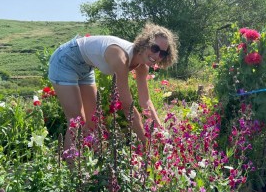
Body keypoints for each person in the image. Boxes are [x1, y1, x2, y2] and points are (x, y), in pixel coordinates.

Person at [48, 23, 178, 151]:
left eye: (163, 53)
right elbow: (127, 106)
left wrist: (162, 132)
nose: (156, 56)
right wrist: (145, 143)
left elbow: (145, 101)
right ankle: (70, 171)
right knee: (76, 122)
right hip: (66, 59)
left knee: (94, 121)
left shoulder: (143, 67)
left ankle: (91, 168)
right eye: (154, 48)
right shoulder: (121, 58)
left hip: (86, 67)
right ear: (144, 43)